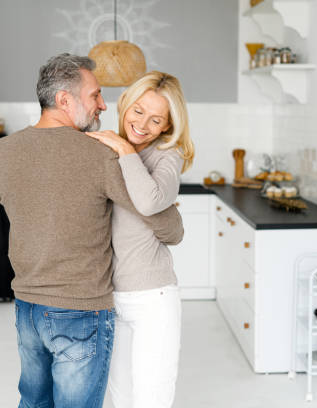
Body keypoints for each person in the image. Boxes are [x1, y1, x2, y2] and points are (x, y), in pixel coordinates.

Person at [0, 54, 184, 408]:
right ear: (65, 100)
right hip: (81, 310)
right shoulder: (100, 155)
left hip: (28, 309)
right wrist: (172, 217)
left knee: (34, 402)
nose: (102, 105)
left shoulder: (3, 151)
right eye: (95, 96)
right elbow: (164, 223)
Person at [85, 71, 194, 408]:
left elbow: (148, 201)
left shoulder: (167, 156)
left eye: (156, 119)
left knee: (151, 397)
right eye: (138, 111)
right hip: (108, 296)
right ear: (126, 106)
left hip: (152, 297)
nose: (144, 124)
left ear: (167, 126)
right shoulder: (102, 149)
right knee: (120, 396)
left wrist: (123, 149)